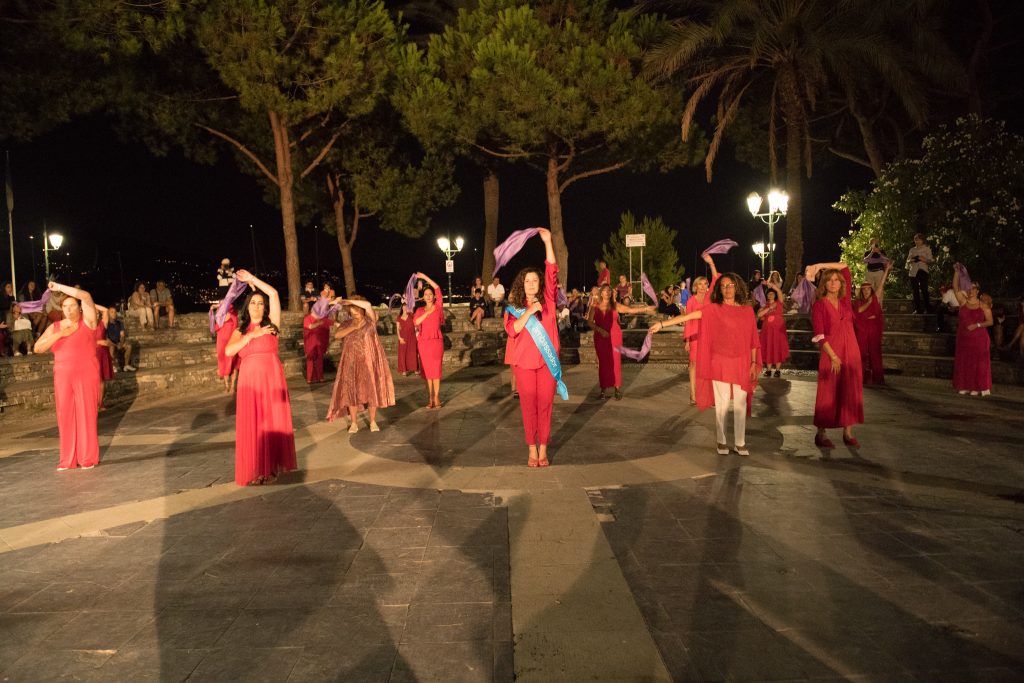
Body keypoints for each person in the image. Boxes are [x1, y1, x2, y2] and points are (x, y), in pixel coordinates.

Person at [652, 271, 760, 456]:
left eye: (731, 285)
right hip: (720, 361)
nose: (727, 288)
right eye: (724, 285)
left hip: (742, 361)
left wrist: (753, 362)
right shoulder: (713, 309)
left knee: (741, 403)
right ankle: (721, 441)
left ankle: (740, 442)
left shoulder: (746, 311)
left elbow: (753, 339)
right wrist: (662, 324)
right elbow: (690, 316)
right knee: (723, 403)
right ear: (719, 289)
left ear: (737, 287)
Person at [224, 269, 297, 485]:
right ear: (247, 307)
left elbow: (273, 294)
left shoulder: (272, 324)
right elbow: (229, 351)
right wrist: (251, 336)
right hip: (249, 382)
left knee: (271, 422)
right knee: (253, 423)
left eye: (260, 303)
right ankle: (255, 469)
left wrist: (252, 280)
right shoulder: (241, 330)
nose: (257, 306)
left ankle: (271, 467)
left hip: (272, 378)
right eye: (253, 303)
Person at [504, 228, 562, 467]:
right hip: (524, 365)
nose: (530, 284)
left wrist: (548, 241)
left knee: (545, 406)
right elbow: (512, 330)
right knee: (528, 407)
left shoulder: (548, 301)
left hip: (547, 363)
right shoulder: (513, 308)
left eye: (534, 280)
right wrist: (529, 310)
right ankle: (531, 448)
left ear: (539, 284)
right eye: (526, 281)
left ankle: (544, 449)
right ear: (522, 285)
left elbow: (552, 271)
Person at [33, 282, 102, 471]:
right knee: (65, 415)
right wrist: (62, 333)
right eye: (65, 306)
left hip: (86, 373)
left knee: (86, 415)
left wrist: (59, 288)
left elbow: (86, 295)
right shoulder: (56, 327)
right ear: (61, 309)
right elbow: (37, 348)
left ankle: (87, 458)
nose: (69, 309)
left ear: (79, 308)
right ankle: (67, 460)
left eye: (72, 305)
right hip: (62, 376)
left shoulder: (88, 321)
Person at [805, 262, 863, 448]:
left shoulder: (846, 302)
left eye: (836, 280)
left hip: (851, 352)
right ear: (824, 284)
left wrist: (820, 265)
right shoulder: (819, 305)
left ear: (841, 283)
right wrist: (833, 356)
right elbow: (820, 335)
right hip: (831, 353)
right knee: (828, 394)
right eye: (829, 280)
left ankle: (848, 432)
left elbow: (845, 266)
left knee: (850, 391)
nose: (833, 283)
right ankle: (821, 434)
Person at [327, 295, 396, 432]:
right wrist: (354, 327)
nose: (354, 311)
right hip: (351, 362)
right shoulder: (347, 323)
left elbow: (368, 304)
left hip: (368, 362)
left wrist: (348, 301)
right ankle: (354, 423)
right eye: (351, 308)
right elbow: (337, 335)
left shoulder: (370, 320)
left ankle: (372, 421)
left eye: (356, 308)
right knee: (352, 392)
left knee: (371, 391)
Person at [587, 284, 655, 400]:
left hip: (614, 336)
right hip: (600, 337)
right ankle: (603, 389)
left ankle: (617, 389)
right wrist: (600, 330)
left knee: (615, 361)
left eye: (609, 290)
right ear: (601, 293)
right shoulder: (594, 306)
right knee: (603, 363)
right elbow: (589, 322)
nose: (607, 292)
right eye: (605, 291)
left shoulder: (615, 306)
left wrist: (645, 308)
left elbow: (630, 310)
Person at [682, 254, 720, 405]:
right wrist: (687, 340)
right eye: (701, 284)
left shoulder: (710, 297)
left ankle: (708, 395)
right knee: (693, 365)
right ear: (695, 286)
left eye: (706, 284)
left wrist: (711, 263)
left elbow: (716, 277)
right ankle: (693, 394)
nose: (703, 286)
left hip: (709, 336)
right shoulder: (691, 300)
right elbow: (688, 320)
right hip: (695, 336)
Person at [952, 269, 992, 396]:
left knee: (978, 363)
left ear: (977, 290)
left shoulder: (983, 305)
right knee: (964, 362)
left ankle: (978, 387)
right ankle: (965, 386)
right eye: (969, 287)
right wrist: (957, 273)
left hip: (979, 339)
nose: (971, 290)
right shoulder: (963, 301)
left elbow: (990, 321)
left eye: (974, 288)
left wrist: (977, 325)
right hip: (963, 338)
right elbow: (955, 287)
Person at [853, 264, 891, 386]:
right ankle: (862, 377)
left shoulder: (875, 298)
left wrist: (886, 270)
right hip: (862, 330)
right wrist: (869, 302)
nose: (865, 291)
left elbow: (881, 284)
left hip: (873, 329)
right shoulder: (858, 302)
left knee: (875, 353)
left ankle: (878, 378)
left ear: (871, 290)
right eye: (863, 289)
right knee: (861, 353)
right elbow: (858, 311)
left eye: (868, 289)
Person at [414, 273, 444, 409]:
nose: (428, 295)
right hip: (424, 343)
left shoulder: (438, 306)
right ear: (423, 297)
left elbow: (437, 287)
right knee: (427, 372)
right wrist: (427, 313)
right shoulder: (420, 310)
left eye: (430, 294)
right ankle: (430, 398)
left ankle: (436, 397)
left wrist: (424, 277)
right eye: (426, 294)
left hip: (436, 342)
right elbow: (416, 322)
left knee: (436, 370)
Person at [758, 281, 789, 377]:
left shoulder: (779, 303)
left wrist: (773, 286)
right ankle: (768, 370)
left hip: (778, 331)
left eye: (772, 293)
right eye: (769, 293)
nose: (770, 295)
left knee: (777, 347)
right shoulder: (764, 306)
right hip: (767, 332)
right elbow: (759, 315)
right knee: (768, 348)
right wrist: (769, 308)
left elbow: (779, 292)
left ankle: (778, 370)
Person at [214, 302, 240, 394]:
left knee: (233, 364)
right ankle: (227, 386)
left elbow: (237, 327)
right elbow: (215, 328)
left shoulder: (233, 315)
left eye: (222, 303)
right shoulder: (219, 316)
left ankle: (233, 386)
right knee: (223, 363)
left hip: (232, 341)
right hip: (221, 342)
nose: (220, 304)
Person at [302, 307, 333, 384]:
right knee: (310, 359)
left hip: (319, 342)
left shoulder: (322, 318)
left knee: (319, 359)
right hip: (310, 342)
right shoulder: (307, 318)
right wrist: (319, 323)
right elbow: (309, 326)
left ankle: (320, 377)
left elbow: (332, 323)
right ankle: (309, 378)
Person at [906, 233, 934, 314]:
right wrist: (912, 260)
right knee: (915, 291)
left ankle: (928, 308)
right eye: (916, 239)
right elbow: (907, 261)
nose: (917, 241)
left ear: (922, 240)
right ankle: (917, 309)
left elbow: (930, 260)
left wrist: (923, 259)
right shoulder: (912, 250)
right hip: (913, 272)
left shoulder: (927, 248)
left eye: (919, 239)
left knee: (924, 290)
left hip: (923, 270)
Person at [105, 307, 135, 372]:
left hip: (119, 342)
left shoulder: (119, 323)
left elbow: (122, 335)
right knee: (111, 347)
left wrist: (121, 343)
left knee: (129, 345)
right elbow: (106, 338)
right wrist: (115, 345)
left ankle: (126, 366)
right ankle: (113, 366)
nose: (114, 314)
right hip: (111, 344)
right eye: (112, 312)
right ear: (108, 314)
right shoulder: (106, 324)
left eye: (115, 312)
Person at [93, 305, 115, 383]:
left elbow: (106, 310)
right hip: (92, 353)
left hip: (103, 353)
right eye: (94, 313)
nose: (97, 315)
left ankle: (100, 396)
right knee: (94, 379)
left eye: (98, 313)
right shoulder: (86, 325)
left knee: (101, 380)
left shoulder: (103, 324)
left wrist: (91, 303)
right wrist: (97, 342)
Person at [396, 304, 419, 375]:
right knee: (403, 353)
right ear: (401, 308)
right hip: (403, 337)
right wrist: (399, 338)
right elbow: (397, 329)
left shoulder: (411, 315)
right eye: (403, 307)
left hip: (412, 337)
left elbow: (416, 324)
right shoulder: (399, 317)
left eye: (406, 307)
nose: (405, 308)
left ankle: (415, 369)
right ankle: (404, 370)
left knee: (413, 353)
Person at [1002, 293, 1024, 358]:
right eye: (1021, 302)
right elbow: (1021, 321)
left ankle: (1010, 345)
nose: (1022, 304)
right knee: (1023, 333)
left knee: (1022, 327)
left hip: (1021, 326)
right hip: (1021, 328)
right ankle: (1021, 355)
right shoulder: (1021, 310)